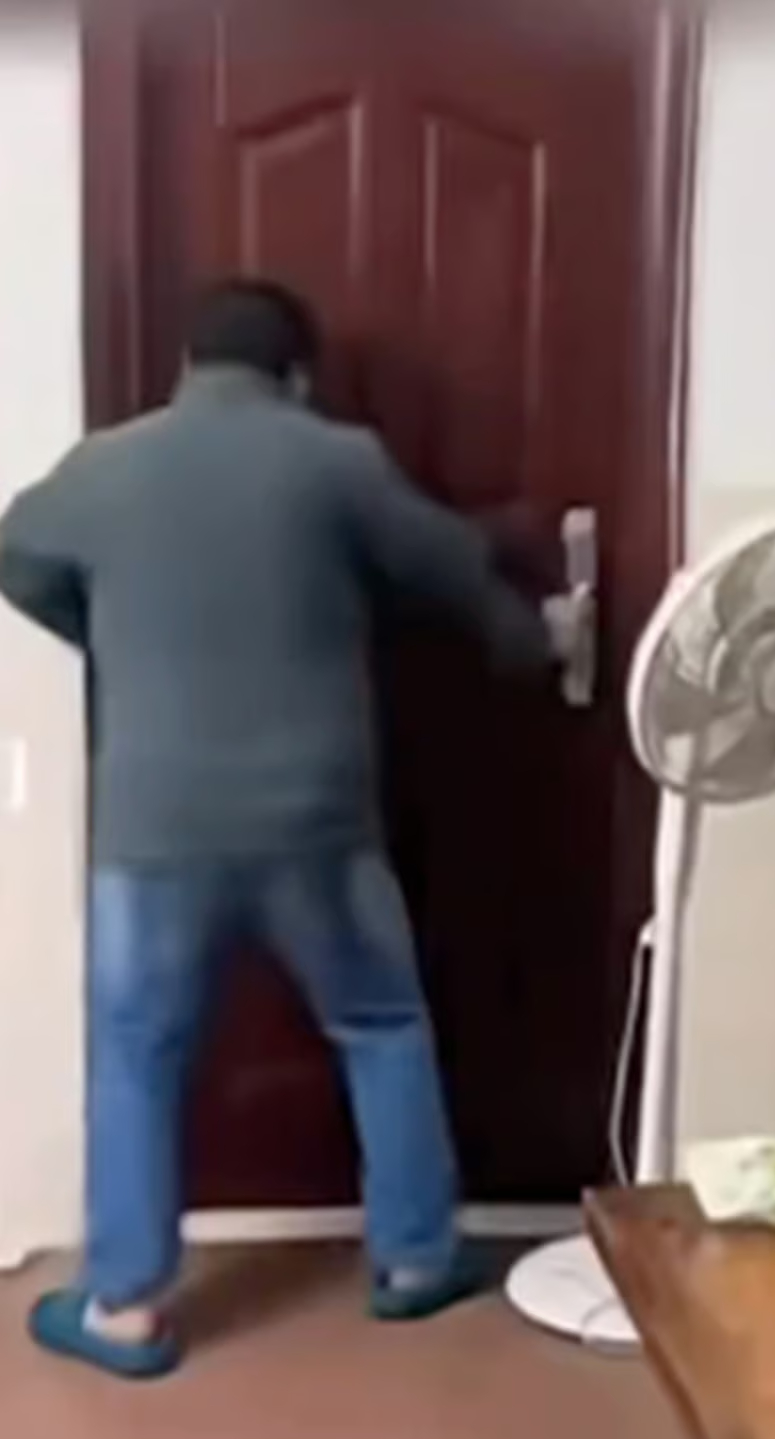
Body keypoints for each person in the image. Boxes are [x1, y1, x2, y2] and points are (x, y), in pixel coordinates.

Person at [0, 280, 583, 1380]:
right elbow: (448, 567)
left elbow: (15, 554)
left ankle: (124, 1309)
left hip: (155, 828)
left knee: (135, 1054)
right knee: (380, 1023)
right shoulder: (336, 461)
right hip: (319, 827)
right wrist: (531, 642)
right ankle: (414, 1261)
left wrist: (106, 636)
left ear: (185, 365)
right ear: (297, 377)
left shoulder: (104, 466)